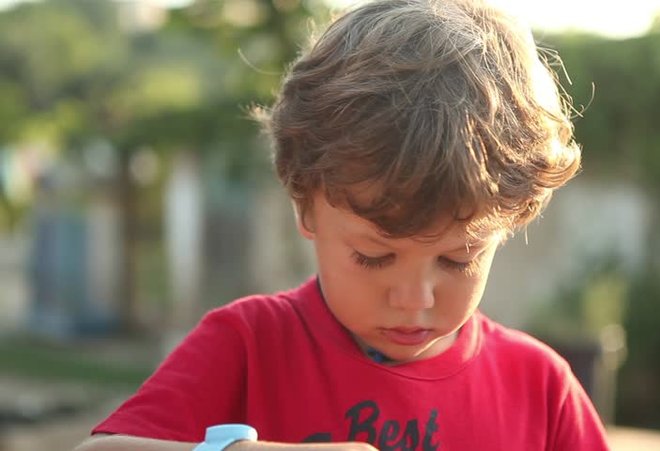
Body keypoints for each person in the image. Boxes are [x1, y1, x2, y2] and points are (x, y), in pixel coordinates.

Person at [75, 0, 609, 449]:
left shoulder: (541, 391)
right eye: (373, 256)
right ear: (306, 206)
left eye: (458, 258)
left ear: (511, 219)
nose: (413, 297)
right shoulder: (249, 346)